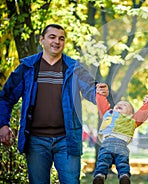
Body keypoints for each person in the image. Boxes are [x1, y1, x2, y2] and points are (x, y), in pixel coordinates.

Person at [0, 24, 108, 184]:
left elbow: (90, 89)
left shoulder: (74, 68)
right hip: (36, 140)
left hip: (67, 140)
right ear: (42, 40)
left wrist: (99, 91)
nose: (57, 41)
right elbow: (6, 97)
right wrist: (3, 124)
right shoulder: (27, 68)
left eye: (61, 38)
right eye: (52, 37)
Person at [93, 93, 148, 184]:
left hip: (120, 146)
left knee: (122, 163)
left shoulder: (133, 119)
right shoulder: (108, 114)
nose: (120, 105)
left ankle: (124, 177)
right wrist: (100, 93)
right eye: (118, 104)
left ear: (131, 113)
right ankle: (100, 176)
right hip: (107, 144)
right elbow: (102, 103)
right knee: (103, 162)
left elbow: (143, 112)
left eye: (125, 105)